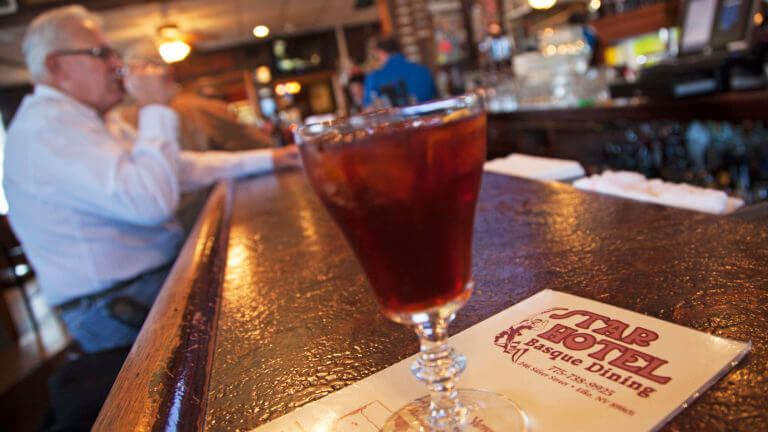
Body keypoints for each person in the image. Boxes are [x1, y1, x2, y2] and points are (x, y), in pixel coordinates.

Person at [3, 5, 300, 353]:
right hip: (116, 305)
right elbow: (149, 203)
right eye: (101, 54)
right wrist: (154, 108)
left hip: (141, 286)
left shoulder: (89, 119)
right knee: (267, 317)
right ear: (57, 66)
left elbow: (177, 167)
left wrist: (273, 158)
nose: (117, 65)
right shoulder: (47, 128)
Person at [362, 36, 437, 107]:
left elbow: (369, 111)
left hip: (396, 120)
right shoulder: (423, 70)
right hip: (428, 119)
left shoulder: (374, 77)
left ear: (380, 52)